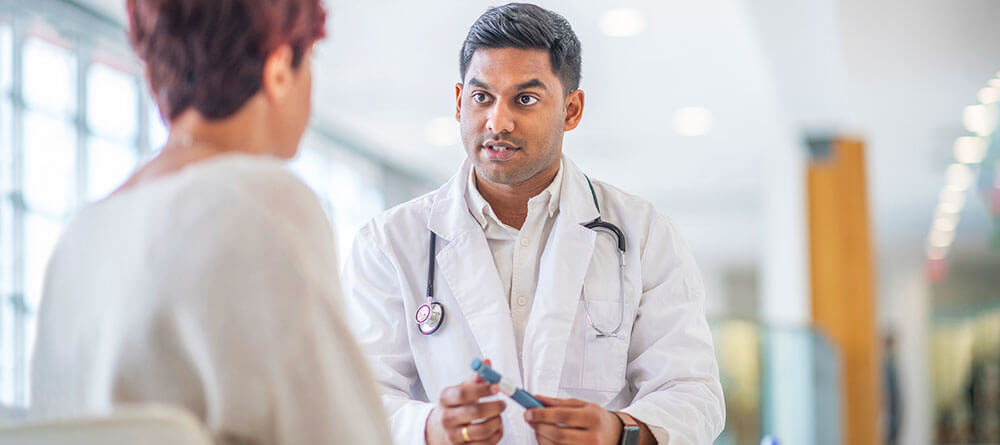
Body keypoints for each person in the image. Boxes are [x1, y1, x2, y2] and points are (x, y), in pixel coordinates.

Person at [342, 3, 725, 444]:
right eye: (481, 96)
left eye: (525, 99)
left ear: (572, 110)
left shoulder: (643, 234)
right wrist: (428, 428)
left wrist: (620, 432)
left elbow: (693, 393)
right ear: (458, 102)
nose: (497, 121)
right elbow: (354, 399)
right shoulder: (388, 244)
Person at [29, 1, 391, 444]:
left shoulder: (81, 234)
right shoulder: (260, 199)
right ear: (279, 70)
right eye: (310, 59)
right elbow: (342, 433)